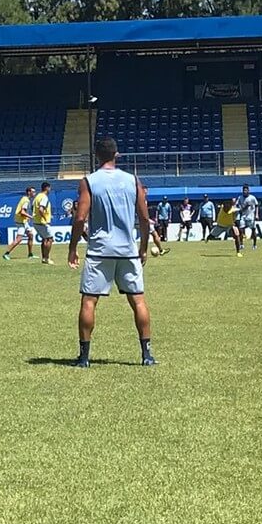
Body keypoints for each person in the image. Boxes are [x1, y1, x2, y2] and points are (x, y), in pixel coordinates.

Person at [68, 138, 156, 368]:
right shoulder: (132, 180)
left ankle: (84, 357)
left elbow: (80, 218)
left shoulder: (89, 181)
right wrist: (144, 247)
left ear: (96, 155)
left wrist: (72, 247)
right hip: (127, 250)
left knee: (89, 301)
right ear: (116, 154)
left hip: (99, 251)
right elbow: (145, 218)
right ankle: (146, 355)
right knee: (138, 301)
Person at [3, 186, 36, 261]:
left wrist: (27, 218)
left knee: (30, 235)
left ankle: (30, 254)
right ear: (29, 192)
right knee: (19, 239)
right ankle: (6, 253)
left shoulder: (25, 199)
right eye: (33, 192)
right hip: (21, 222)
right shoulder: (26, 200)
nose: (34, 193)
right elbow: (22, 212)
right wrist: (31, 217)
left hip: (23, 221)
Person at [32, 182, 55, 265]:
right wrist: (45, 218)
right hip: (42, 222)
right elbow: (41, 209)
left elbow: (33, 208)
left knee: (44, 239)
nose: (50, 190)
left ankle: (44, 258)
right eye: (50, 188)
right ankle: (47, 258)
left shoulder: (37, 196)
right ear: (47, 188)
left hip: (36, 221)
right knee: (50, 239)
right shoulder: (44, 197)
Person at [236, 184, 260, 254]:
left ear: (248, 191)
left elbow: (256, 205)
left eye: (246, 190)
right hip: (243, 216)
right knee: (240, 230)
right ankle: (241, 244)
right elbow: (238, 205)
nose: (245, 191)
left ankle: (254, 244)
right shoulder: (240, 198)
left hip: (251, 216)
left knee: (253, 230)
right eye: (244, 190)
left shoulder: (252, 198)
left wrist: (256, 214)